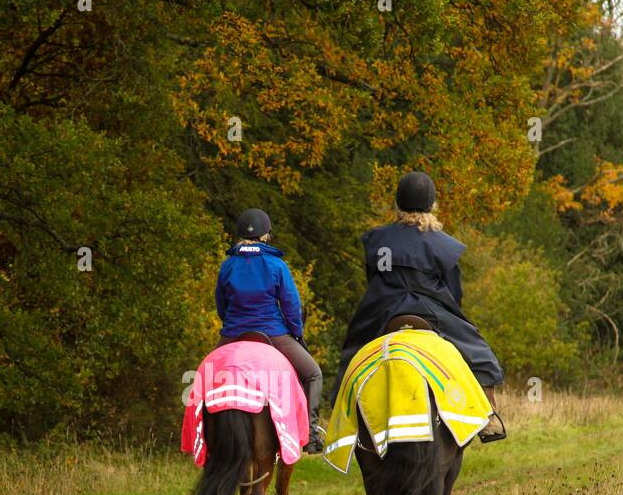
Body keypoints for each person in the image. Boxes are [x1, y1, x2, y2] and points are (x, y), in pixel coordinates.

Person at [328, 171, 506, 440]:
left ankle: (340, 419)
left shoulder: (377, 240)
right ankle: (489, 417)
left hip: (382, 308)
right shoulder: (443, 245)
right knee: (480, 353)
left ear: (398, 204)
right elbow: (454, 294)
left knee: (352, 353)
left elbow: (372, 277)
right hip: (431, 312)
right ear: (431, 204)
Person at [215, 208, 325, 453]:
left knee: (205, 376)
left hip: (232, 334)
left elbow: (221, 306)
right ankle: (310, 434)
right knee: (313, 374)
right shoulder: (276, 264)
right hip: (273, 334)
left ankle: (200, 433)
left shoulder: (228, 265)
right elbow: (291, 305)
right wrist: (296, 333)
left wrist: (233, 326)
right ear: (266, 234)